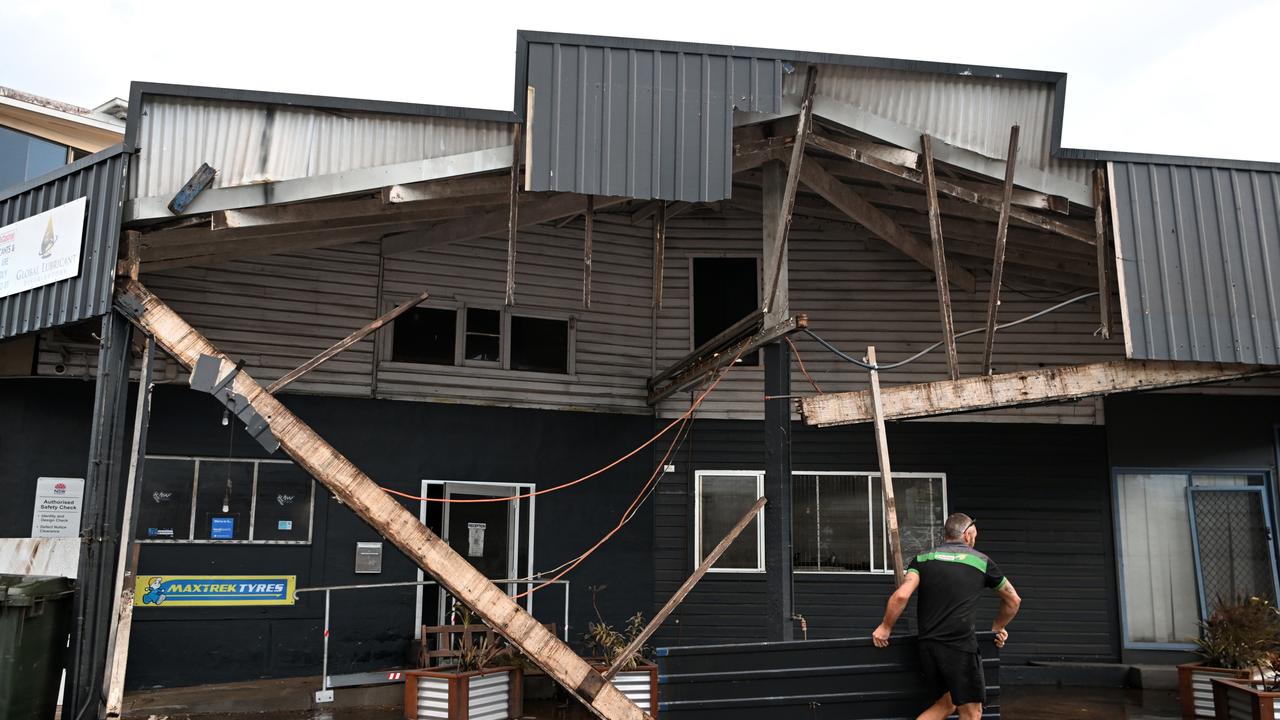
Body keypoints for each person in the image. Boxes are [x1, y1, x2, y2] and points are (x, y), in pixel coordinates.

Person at [872, 513, 1021, 720]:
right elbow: (1013, 600)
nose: (974, 540)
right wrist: (997, 627)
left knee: (946, 704)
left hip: (928, 646)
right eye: (974, 536)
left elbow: (901, 595)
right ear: (967, 536)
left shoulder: (922, 559)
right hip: (959, 647)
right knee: (972, 712)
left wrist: (885, 627)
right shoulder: (980, 561)